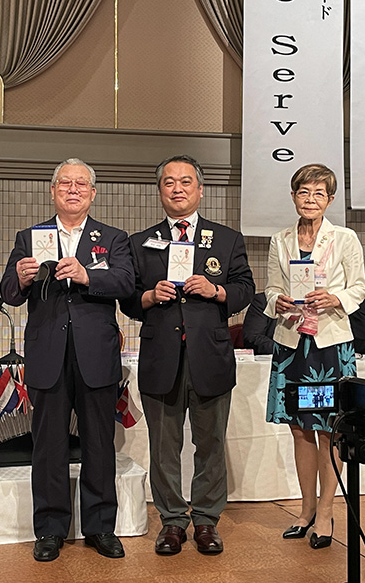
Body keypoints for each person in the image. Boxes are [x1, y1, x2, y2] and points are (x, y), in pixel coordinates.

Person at [0, 158, 134, 562]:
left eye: (80, 184)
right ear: (52, 191)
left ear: (93, 193)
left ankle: (100, 527)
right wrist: (21, 278)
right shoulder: (30, 237)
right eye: (64, 183)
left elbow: (126, 283)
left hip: (96, 355)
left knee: (99, 443)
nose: (72, 190)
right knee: (48, 446)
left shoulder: (112, 238)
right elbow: (8, 292)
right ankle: (50, 529)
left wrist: (87, 275)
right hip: (48, 355)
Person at [120, 155, 255, 555]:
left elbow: (246, 288)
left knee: (210, 444)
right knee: (164, 447)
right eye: (168, 182)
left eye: (185, 182)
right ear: (159, 191)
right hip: (161, 356)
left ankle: (207, 520)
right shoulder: (139, 242)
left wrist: (217, 291)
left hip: (209, 356)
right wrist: (148, 295)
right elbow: (127, 297)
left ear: (200, 189)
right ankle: (173, 521)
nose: (177, 189)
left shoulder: (227, 238)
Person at [264, 163, 365, 549]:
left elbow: (359, 288)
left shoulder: (345, 238)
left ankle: (326, 511)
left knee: (329, 429)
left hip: (329, 345)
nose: (310, 199)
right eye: (304, 192)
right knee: (299, 428)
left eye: (319, 194)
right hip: (293, 344)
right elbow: (271, 288)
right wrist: (278, 301)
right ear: (293, 196)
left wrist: (335, 298)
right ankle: (305, 510)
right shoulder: (280, 240)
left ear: (330, 200)